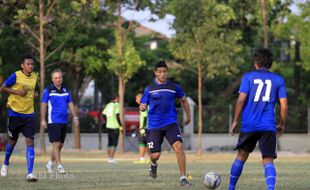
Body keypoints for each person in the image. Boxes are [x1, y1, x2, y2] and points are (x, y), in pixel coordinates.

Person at [228, 48, 288, 190]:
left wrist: (235, 120)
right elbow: (284, 107)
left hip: (249, 124)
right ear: (270, 64)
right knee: (268, 160)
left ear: (256, 63)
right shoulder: (278, 80)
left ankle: (231, 188)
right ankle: (271, 188)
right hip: (268, 125)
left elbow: (241, 100)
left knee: (241, 157)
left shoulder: (248, 77)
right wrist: (282, 124)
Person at [140, 61, 192, 187]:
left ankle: (183, 178)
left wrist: (188, 116)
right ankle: (153, 165)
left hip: (170, 122)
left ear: (167, 72)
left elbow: (184, 100)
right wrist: (142, 106)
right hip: (154, 125)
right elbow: (143, 104)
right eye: (159, 72)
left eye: (164, 71)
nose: (162, 74)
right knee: (155, 155)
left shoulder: (174, 87)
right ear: (155, 73)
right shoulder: (149, 89)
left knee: (179, 147)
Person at [0, 54, 39, 182]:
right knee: (12, 141)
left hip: (29, 114)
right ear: (22, 65)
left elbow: (35, 88)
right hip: (15, 113)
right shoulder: (15, 76)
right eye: (28, 64)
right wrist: (18, 92)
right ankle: (5, 163)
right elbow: (2, 88)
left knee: (30, 141)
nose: (31, 66)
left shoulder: (34, 77)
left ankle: (30, 173)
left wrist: (36, 93)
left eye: (32, 64)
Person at [41, 69, 78, 174]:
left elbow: (70, 103)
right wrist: (43, 119)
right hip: (53, 120)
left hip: (64, 121)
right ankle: (60, 166)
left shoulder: (66, 90)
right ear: (52, 79)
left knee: (60, 145)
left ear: (62, 78)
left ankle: (49, 164)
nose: (58, 79)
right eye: (56, 78)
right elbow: (43, 105)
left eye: (60, 77)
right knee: (56, 144)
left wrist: (75, 117)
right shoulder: (48, 90)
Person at [102, 94, 122, 163]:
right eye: (118, 98)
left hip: (108, 126)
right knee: (114, 143)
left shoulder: (108, 105)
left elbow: (103, 114)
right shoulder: (116, 104)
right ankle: (111, 158)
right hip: (115, 126)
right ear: (116, 98)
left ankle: (109, 158)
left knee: (109, 143)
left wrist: (107, 121)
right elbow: (117, 116)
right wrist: (121, 125)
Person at [133, 93, 149, 164]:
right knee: (148, 143)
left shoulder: (143, 105)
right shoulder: (147, 104)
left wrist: (142, 127)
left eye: (137, 98)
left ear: (140, 98)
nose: (136, 100)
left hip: (144, 128)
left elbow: (145, 116)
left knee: (142, 143)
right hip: (149, 127)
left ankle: (142, 159)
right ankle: (151, 158)